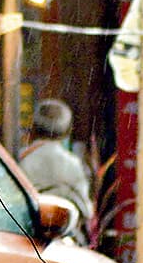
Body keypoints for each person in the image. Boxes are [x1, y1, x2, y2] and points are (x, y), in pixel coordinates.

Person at [19, 98, 93, 239]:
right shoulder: (73, 163)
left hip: (26, 236)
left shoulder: (22, 159)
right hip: (65, 238)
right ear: (67, 131)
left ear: (33, 127)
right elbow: (86, 210)